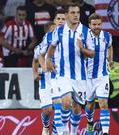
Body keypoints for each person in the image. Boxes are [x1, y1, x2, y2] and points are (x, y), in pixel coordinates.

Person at [46, 3, 95, 135]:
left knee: (77, 108)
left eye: (77, 13)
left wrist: (82, 48)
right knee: (66, 102)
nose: (75, 15)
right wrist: (48, 59)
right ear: (67, 15)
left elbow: (92, 53)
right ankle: (65, 130)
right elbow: (52, 46)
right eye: (72, 13)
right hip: (63, 74)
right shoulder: (60, 31)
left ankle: (73, 132)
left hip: (80, 76)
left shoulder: (86, 31)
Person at [32, 9, 66, 135]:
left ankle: (59, 132)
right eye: (59, 19)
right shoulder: (48, 38)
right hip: (47, 80)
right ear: (55, 22)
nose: (61, 21)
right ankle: (46, 125)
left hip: (63, 78)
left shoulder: (72, 36)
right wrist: (41, 68)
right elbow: (37, 57)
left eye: (63, 19)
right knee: (47, 110)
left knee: (60, 108)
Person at [85, 13, 113, 135]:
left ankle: (105, 132)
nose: (97, 27)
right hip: (87, 77)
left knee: (103, 104)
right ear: (89, 25)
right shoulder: (83, 37)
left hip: (102, 76)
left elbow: (110, 47)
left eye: (99, 24)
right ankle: (90, 124)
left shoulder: (107, 36)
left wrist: (110, 60)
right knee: (90, 105)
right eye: (94, 24)